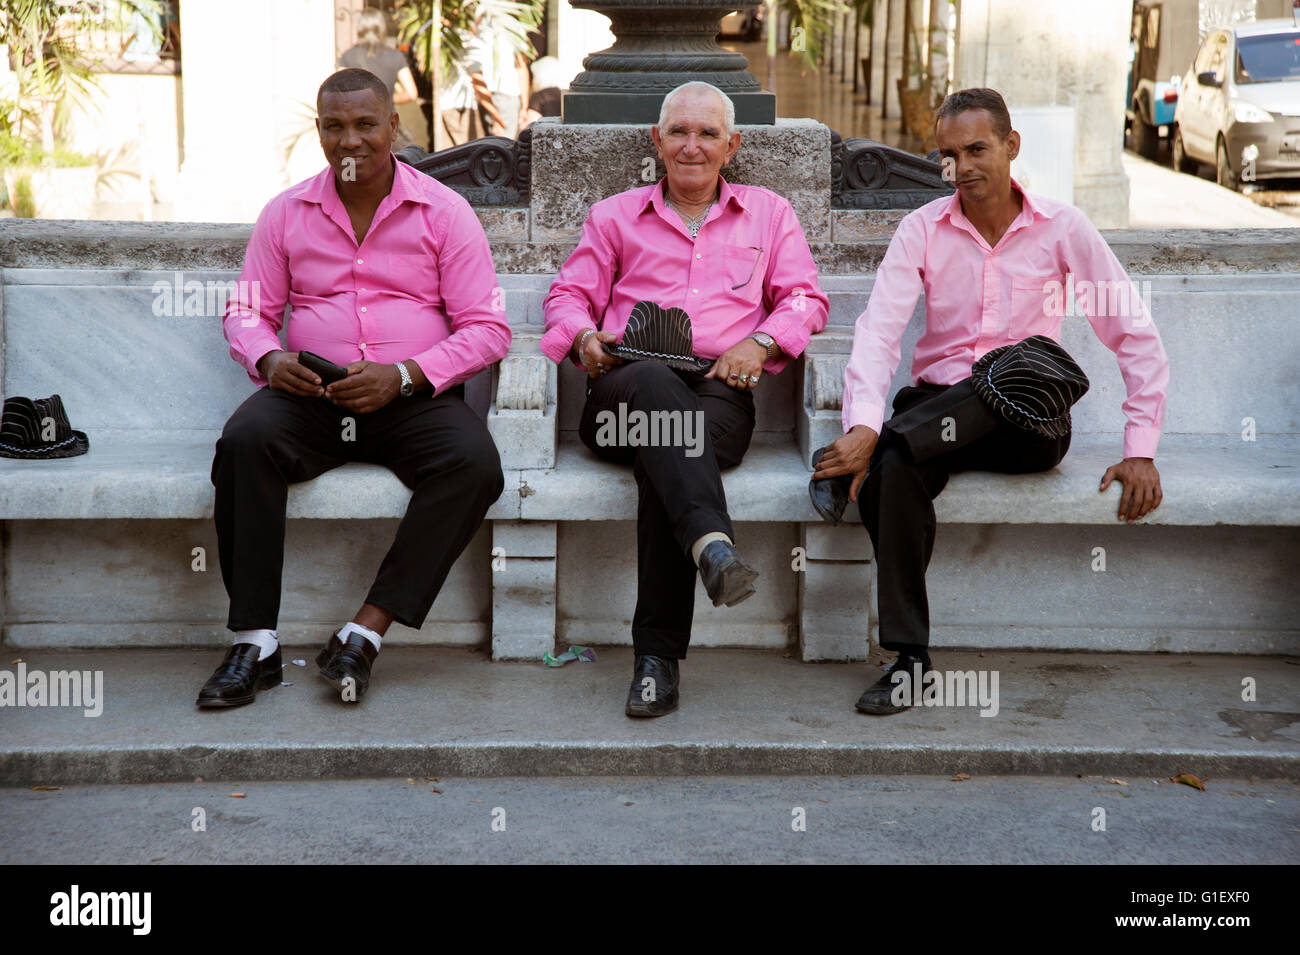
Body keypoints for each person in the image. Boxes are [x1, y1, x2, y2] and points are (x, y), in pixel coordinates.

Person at [813, 88, 1170, 715]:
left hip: (1024, 422)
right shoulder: (920, 229)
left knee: (992, 380)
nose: (962, 167)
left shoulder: (1064, 228)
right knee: (894, 471)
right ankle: (909, 660)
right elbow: (878, 332)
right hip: (938, 416)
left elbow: (1133, 333)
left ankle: (884, 444)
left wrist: (1139, 449)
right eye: (948, 155)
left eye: (977, 149)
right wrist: (865, 419)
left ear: (1011, 147)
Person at [196, 68, 510, 709]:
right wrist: (269, 358)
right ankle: (254, 643)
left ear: (395, 127)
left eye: (366, 124)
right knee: (244, 442)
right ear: (318, 132)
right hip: (312, 395)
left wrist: (404, 376)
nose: (351, 141)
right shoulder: (286, 213)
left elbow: (487, 329)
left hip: (409, 396)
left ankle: (364, 633)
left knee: (475, 465)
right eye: (335, 127)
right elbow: (245, 312)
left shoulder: (444, 212)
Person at [542, 81, 829, 718]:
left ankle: (658, 658)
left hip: (719, 396)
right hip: (624, 390)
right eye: (678, 132)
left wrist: (760, 341)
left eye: (706, 134)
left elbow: (805, 300)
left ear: (732, 145)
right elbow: (566, 299)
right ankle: (707, 557)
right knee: (653, 389)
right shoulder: (614, 216)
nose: (691, 146)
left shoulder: (769, 214)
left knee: (667, 446)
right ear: (657, 141)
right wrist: (585, 339)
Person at [339, 9, 421, 150]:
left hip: (355, 129)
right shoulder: (396, 56)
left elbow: (338, 92)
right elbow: (412, 93)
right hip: (385, 127)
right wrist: (387, 98)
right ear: (382, 29)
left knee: (354, 169)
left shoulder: (348, 57)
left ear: (360, 29)